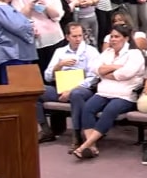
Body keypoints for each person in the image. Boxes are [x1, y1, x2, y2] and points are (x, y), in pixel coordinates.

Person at [73, 25, 145, 159]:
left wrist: (105, 72)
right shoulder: (107, 53)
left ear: (126, 39)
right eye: (111, 36)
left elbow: (126, 73)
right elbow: (94, 68)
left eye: (117, 36)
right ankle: (92, 146)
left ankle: (85, 145)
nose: (113, 39)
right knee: (88, 108)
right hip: (103, 92)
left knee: (109, 111)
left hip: (125, 95)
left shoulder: (135, 54)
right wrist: (114, 67)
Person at [36, 22, 100, 150]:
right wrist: (59, 66)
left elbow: (93, 78)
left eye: (80, 36)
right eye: (74, 36)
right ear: (67, 37)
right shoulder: (60, 52)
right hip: (61, 88)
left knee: (76, 95)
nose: (78, 39)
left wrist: (71, 90)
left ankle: (77, 136)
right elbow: (48, 76)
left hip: (83, 89)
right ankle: (45, 130)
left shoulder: (91, 51)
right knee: (35, 91)